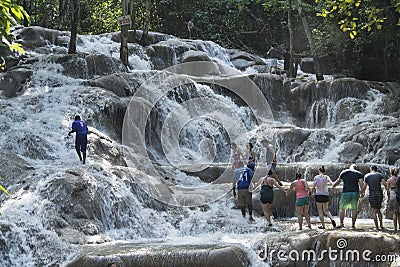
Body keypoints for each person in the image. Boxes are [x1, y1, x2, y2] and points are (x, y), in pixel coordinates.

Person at [333, 164, 364, 229]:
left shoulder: (344, 172)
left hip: (346, 192)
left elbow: (338, 181)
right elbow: (361, 184)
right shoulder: (358, 173)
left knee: (342, 208)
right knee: (354, 209)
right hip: (355, 192)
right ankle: (353, 225)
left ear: (350, 167)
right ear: (356, 168)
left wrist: (333, 185)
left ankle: (341, 224)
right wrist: (362, 192)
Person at [362, 165, 386, 230]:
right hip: (379, 193)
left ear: (371, 169)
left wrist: (362, 192)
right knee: (378, 210)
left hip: (372, 194)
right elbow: (385, 184)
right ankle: (381, 225)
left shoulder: (367, 176)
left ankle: (377, 227)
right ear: (376, 169)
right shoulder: (380, 175)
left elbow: (364, 187)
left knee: (374, 211)